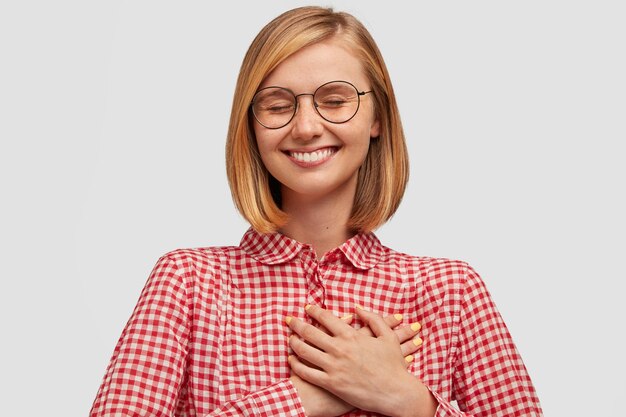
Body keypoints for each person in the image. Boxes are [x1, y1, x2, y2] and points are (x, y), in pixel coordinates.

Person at [90, 6, 542, 417]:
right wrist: (305, 398)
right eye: (277, 105)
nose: (306, 127)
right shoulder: (189, 283)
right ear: (251, 126)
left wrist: (408, 400)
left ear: (377, 117)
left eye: (335, 99)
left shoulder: (451, 292)